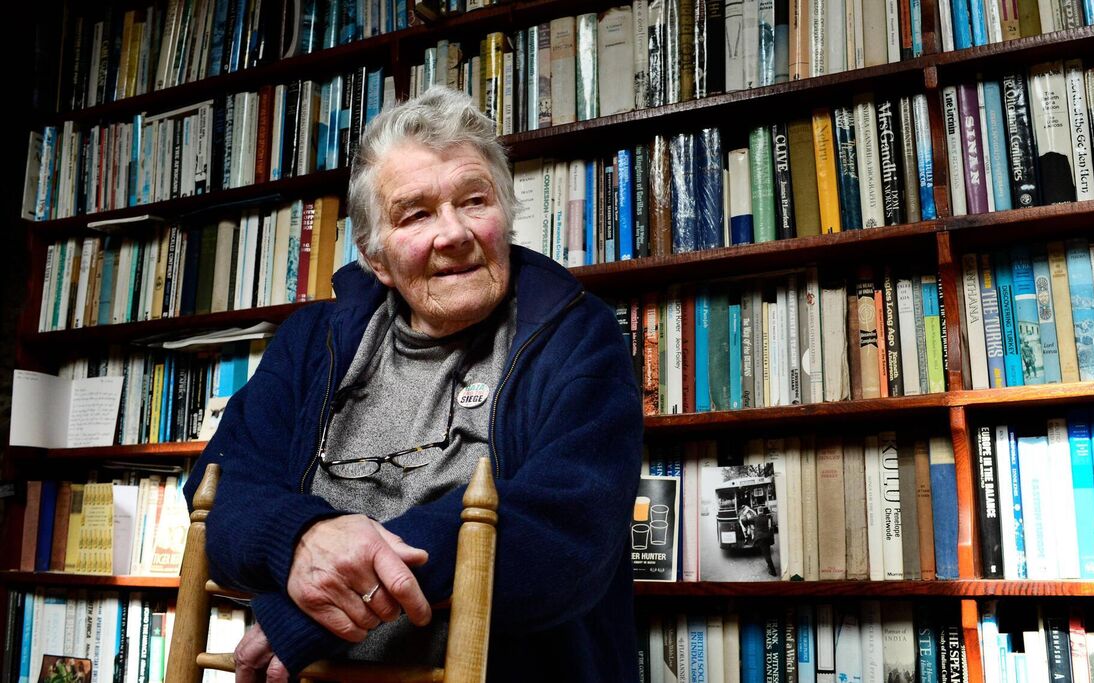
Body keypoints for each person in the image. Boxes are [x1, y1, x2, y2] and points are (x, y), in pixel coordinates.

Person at [183, 87, 643, 683]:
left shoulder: (578, 337)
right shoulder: (310, 342)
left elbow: (565, 534)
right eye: (416, 214)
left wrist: (318, 610)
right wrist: (300, 538)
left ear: (505, 215)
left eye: (474, 200)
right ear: (376, 259)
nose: (453, 233)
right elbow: (223, 492)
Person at [752, 509, 778, 577]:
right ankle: (769, 566)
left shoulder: (755, 518)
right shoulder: (766, 517)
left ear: (758, 511)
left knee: (767, 555)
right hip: (767, 537)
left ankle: (773, 572)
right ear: (763, 511)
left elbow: (746, 521)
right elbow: (770, 526)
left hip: (761, 538)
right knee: (768, 553)